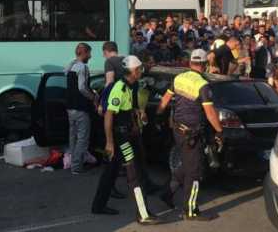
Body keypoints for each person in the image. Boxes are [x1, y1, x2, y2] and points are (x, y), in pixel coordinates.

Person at [92, 56, 160, 225]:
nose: (141, 71)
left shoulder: (132, 85)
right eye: (140, 69)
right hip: (121, 137)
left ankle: (98, 206)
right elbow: (108, 116)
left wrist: (137, 118)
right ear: (134, 71)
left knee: (111, 171)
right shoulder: (119, 88)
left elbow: (131, 107)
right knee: (134, 175)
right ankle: (143, 215)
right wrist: (109, 142)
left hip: (130, 133)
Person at [156, 50, 223, 221]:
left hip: (178, 130)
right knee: (194, 171)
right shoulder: (202, 84)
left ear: (190, 62)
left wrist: (158, 117)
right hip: (192, 132)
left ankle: (167, 193)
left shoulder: (179, 78)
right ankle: (190, 210)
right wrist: (220, 131)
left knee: (187, 164)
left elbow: (164, 101)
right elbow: (210, 112)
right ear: (204, 64)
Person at [66, 43, 96, 175]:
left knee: (73, 136)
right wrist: (93, 97)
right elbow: (82, 87)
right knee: (83, 137)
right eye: (89, 53)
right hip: (80, 107)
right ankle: (77, 166)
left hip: (70, 107)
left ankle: (73, 162)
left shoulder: (71, 65)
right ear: (84, 53)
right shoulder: (82, 67)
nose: (90, 56)